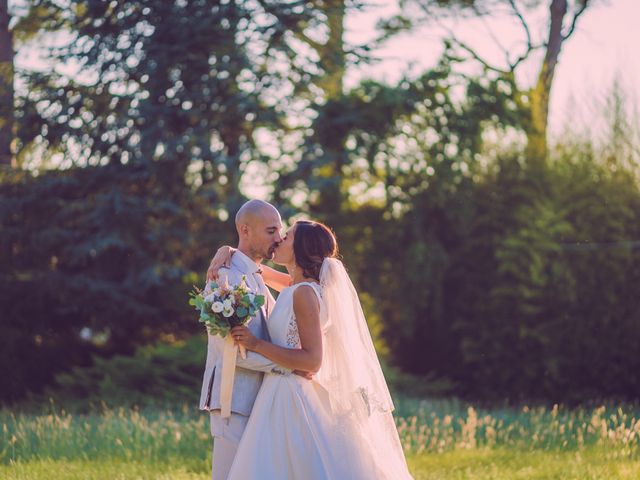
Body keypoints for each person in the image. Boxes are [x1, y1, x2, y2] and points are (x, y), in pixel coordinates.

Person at [207, 219, 413, 479]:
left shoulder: (304, 292)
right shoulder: (297, 286)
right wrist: (225, 251)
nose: (280, 239)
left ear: (301, 248)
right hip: (279, 389)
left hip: (290, 394)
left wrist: (256, 344)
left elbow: (313, 361)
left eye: (288, 236)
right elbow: (255, 269)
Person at [199, 199, 309, 480]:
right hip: (233, 401)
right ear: (245, 230)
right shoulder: (223, 276)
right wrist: (288, 367)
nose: (279, 238)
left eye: (281, 231)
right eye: (271, 231)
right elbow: (231, 352)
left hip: (265, 403)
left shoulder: (257, 276)